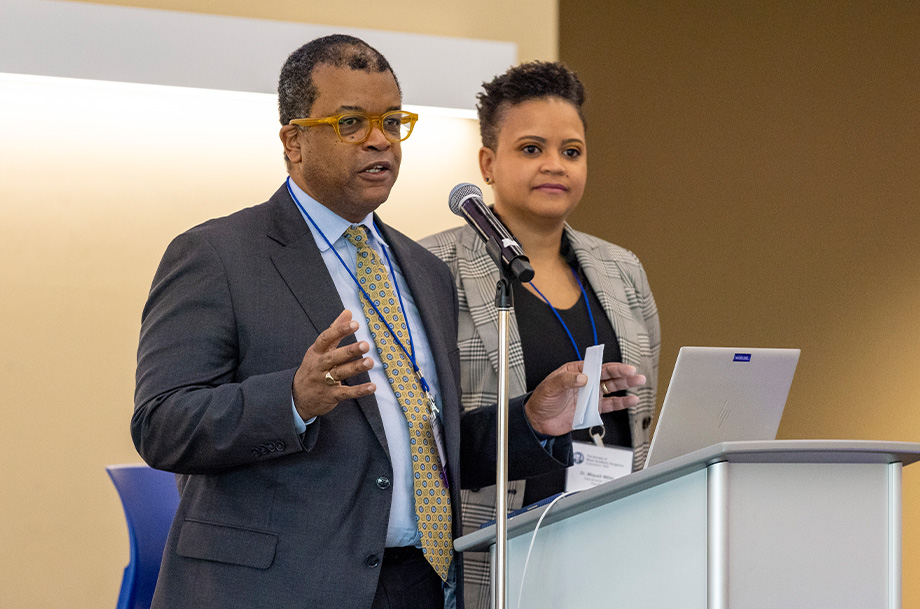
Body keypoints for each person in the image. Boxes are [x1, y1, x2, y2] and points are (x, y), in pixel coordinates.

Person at [132, 36, 646, 609]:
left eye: (393, 120)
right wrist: (293, 399)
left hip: (418, 585)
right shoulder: (219, 255)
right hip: (280, 589)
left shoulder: (421, 270)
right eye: (352, 122)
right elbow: (160, 425)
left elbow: (428, 444)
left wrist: (528, 420)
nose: (379, 139)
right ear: (293, 141)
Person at [420, 61, 660, 608]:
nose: (555, 165)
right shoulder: (432, 267)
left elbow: (640, 410)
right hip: (499, 548)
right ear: (488, 161)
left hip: (617, 538)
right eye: (531, 149)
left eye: (571, 152)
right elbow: (419, 430)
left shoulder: (623, 269)